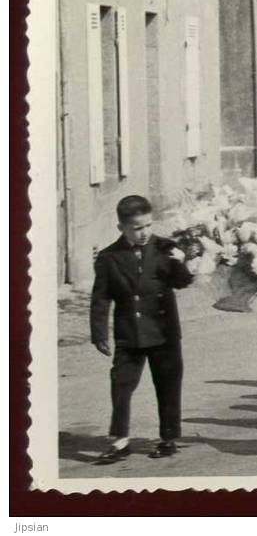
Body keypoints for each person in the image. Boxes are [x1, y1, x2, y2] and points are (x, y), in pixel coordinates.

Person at [89, 195, 194, 464]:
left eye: (148, 225)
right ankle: (120, 440)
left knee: (168, 383)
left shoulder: (165, 248)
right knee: (121, 385)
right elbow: (101, 298)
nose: (144, 232)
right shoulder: (108, 257)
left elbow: (182, 282)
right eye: (137, 228)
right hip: (129, 333)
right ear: (121, 228)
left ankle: (168, 438)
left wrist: (182, 262)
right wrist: (99, 333)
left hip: (164, 331)